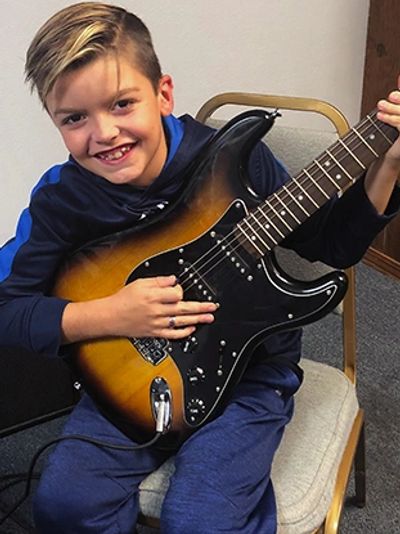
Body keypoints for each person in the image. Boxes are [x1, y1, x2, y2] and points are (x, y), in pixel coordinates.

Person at [1, 2, 400, 533]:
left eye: (122, 104)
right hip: (129, 374)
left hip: (248, 376)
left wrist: (389, 165)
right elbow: (8, 308)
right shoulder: (62, 198)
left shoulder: (231, 160)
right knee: (64, 505)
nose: (104, 134)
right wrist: (111, 316)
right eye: (75, 118)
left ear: (163, 93)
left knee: (202, 520)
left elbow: (332, 244)